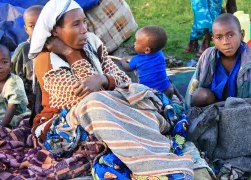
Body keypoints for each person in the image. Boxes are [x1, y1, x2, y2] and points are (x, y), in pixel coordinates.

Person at [29, 0, 213, 179]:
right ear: (55, 30)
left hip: (108, 105)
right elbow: (84, 100)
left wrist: (103, 78)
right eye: (75, 24)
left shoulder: (91, 43)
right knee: (96, 104)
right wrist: (72, 54)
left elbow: (123, 79)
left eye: (84, 21)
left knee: (140, 91)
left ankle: (151, 145)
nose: (84, 28)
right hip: (63, 122)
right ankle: (153, 162)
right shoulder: (46, 59)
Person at [185, 13, 251, 109]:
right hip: (214, 108)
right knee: (199, 95)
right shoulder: (207, 57)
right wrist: (187, 113)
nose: (225, 42)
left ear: (242, 35)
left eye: (231, 35)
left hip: (243, 108)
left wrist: (229, 105)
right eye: (219, 37)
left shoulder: (248, 59)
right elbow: (193, 87)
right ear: (213, 40)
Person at [119, 26, 183, 101]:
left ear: (147, 50)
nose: (134, 43)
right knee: (166, 80)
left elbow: (128, 68)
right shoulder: (160, 53)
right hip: (168, 90)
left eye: (136, 42)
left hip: (153, 93)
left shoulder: (137, 59)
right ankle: (179, 96)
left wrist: (122, 61)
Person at [11, 5, 43, 110]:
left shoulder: (56, 46)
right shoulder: (23, 50)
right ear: (26, 29)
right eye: (32, 26)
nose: (38, 29)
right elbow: (13, 79)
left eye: (41, 24)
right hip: (29, 103)